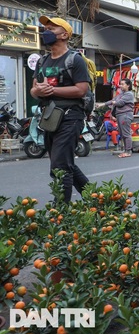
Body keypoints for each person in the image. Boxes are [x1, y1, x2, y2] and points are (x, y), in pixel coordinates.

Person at [30, 16, 90, 203]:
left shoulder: (75, 60)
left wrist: (53, 90)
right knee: (64, 163)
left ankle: (61, 214)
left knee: (60, 166)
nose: (45, 31)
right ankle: (95, 197)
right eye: (44, 28)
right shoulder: (42, 61)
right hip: (50, 118)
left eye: (50, 28)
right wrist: (38, 91)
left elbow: (81, 89)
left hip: (71, 117)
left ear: (64, 35)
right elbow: (33, 89)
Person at [106, 78, 135, 157]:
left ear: (128, 85)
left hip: (125, 115)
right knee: (122, 134)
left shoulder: (129, 94)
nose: (120, 86)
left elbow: (119, 103)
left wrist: (114, 102)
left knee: (126, 133)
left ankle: (128, 151)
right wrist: (102, 105)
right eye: (120, 84)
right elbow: (113, 100)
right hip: (120, 115)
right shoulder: (121, 94)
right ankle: (125, 150)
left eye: (122, 84)